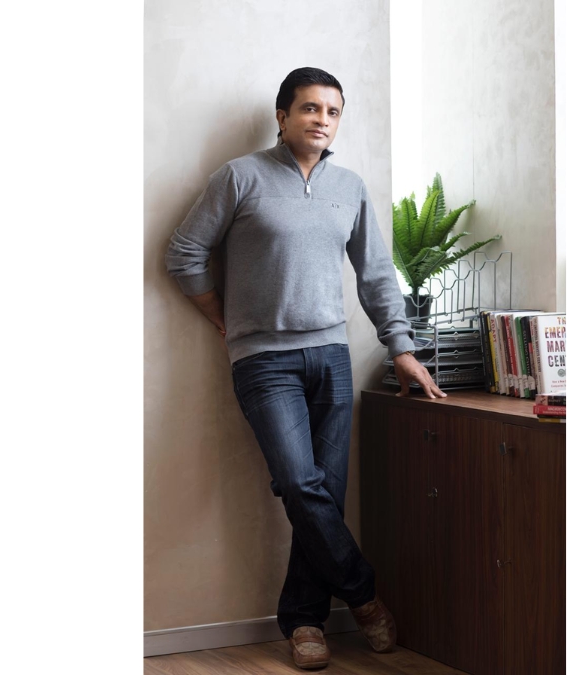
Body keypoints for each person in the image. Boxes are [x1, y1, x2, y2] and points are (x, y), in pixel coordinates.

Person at [164, 66, 445, 670]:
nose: (322, 120)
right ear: (283, 115)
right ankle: (364, 594)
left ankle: (305, 621)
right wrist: (220, 315)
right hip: (263, 360)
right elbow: (183, 252)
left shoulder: (350, 187)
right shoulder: (240, 177)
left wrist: (401, 348)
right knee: (298, 483)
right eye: (310, 108)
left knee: (322, 495)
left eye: (333, 111)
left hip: (332, 356)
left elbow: (376, 275)